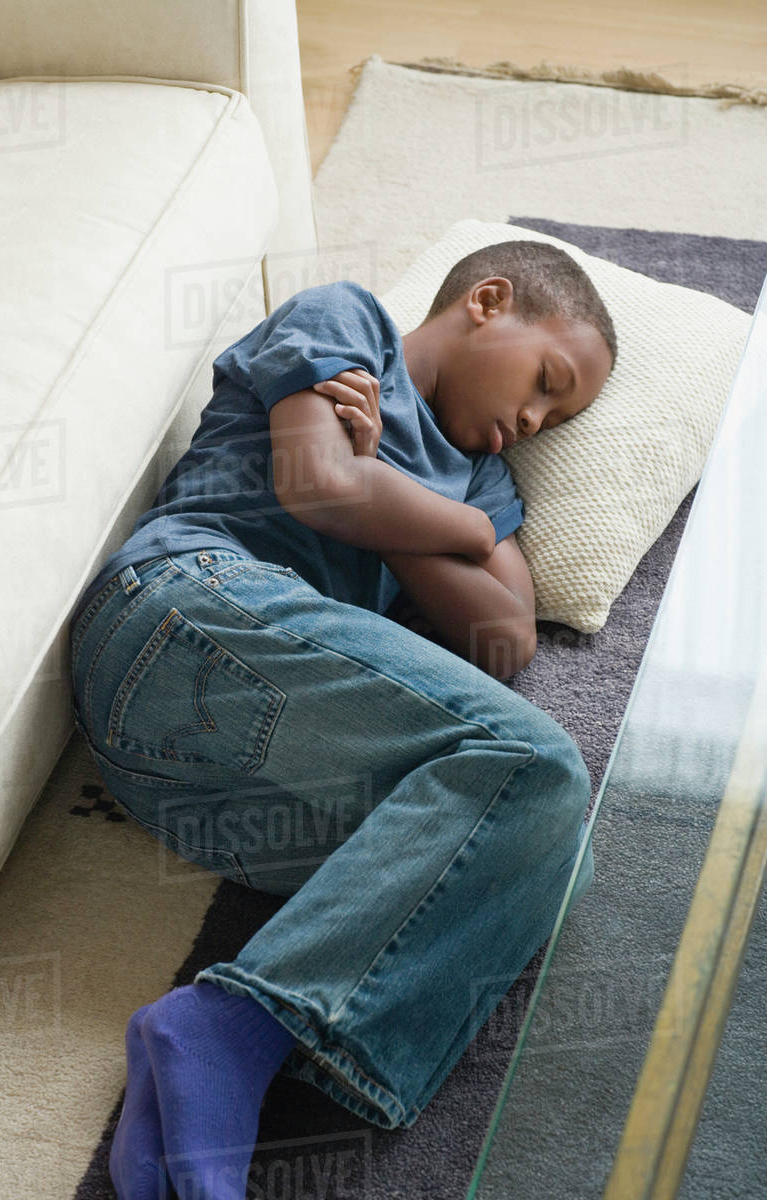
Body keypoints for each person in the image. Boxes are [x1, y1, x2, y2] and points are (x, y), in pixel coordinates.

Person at [68, 239, 616, 1200]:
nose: (529, 421)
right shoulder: (347, 322)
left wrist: (392, 492)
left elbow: (504, 634)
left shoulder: (480, 480)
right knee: (535, 765)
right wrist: (435, 519)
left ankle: (166, 1142)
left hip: (203, 787)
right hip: (184, 613)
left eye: (554, 418)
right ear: (488, 301)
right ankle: (229, 1034)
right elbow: (316, 485)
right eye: (545, 380)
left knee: (528, 849)